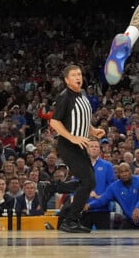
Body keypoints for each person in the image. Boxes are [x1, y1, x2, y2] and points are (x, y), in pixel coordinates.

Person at [49, 65, 107, 233]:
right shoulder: (64, 96)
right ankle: (70, 220)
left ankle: (52, 189)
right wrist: (72, 137)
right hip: (69, 145)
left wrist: (93, 130)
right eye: (74, 75)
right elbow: (54, 122)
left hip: (81, 144)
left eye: (80, 74)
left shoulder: (81, 94)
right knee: (88, 181)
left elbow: (81, 119)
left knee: (89, 182)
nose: (78, 77)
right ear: (67, 80)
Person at [87, 163, 139, 229]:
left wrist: (138, 207)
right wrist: (88, 206)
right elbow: (102, 200)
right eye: (121, 172)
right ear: (118, 174)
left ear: (131, 171)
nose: (124, 174)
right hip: (131, 220)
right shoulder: (113, 187)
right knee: (122, 239)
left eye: (126, 171)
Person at [83, 139, 116, 230]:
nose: (94, 148)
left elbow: (111, 188)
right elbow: (75, 185)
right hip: (84, 209)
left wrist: (99, 199)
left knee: (104, 240)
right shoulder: (81, 165)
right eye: (91, 146)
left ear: (99, 150)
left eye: (96, 147)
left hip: (102, 209)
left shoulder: (107, 166)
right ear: (87, 149)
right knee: (82, 240)